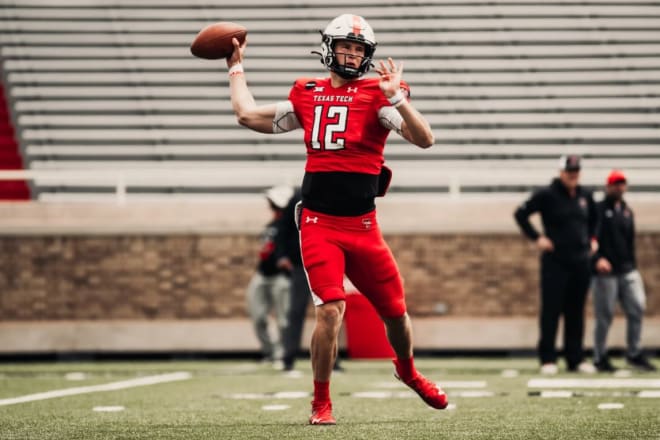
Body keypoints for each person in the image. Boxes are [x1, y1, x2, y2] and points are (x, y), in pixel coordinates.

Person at [225, 14, 448, 425]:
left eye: (360, 49)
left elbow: (425, 139)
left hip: (363, 227)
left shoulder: (379, 94)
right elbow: (247, 115)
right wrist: (234, 66)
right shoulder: (307, 92)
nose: (352, 54)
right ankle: (321, 401)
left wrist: (398, 98)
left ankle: (408, 370)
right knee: (330, 309)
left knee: (396, 313)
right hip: (319, 225)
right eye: (346, 46)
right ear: (329, 46)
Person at [514, 155, 598, 375]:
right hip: (555, 262)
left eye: (576, 171)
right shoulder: (547, 194)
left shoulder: (585, 195)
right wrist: (537, 238)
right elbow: (521, 214)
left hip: (580, 261)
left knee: (576, 312)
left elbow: (595, 221)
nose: (573, 174)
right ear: (560, 172)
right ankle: (548, 358)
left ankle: (575, 359)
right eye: (570, 171)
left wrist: (593, 240)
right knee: (551, 311)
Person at [591, 170, 656, 372]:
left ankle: (634, 353)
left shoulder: (627, 211)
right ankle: (599, 356)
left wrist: (632, 265)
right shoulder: (598, 210)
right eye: (615, 183)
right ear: (608, 186)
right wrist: (597, 259)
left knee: (637, 307)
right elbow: (590, 238)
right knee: (605, 315)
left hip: (627, 269)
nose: (619, 187)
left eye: (622, 183)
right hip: (606, 272)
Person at [275, 188, 343, 373]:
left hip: (326, 263)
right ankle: (288, 358)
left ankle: (332, 360)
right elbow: (283, 227)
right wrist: (282, 255)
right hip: (301, 264)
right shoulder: (299, 196)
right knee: (296, 311)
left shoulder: (336, 195)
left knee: (331, 312)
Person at [246, 185, 294, 368]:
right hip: (262, 274)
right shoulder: (271, 225)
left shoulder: (290, 226)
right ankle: (270, 351)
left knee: (283, 319)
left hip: (281, 277)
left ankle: (283, 354)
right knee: (258, 316)